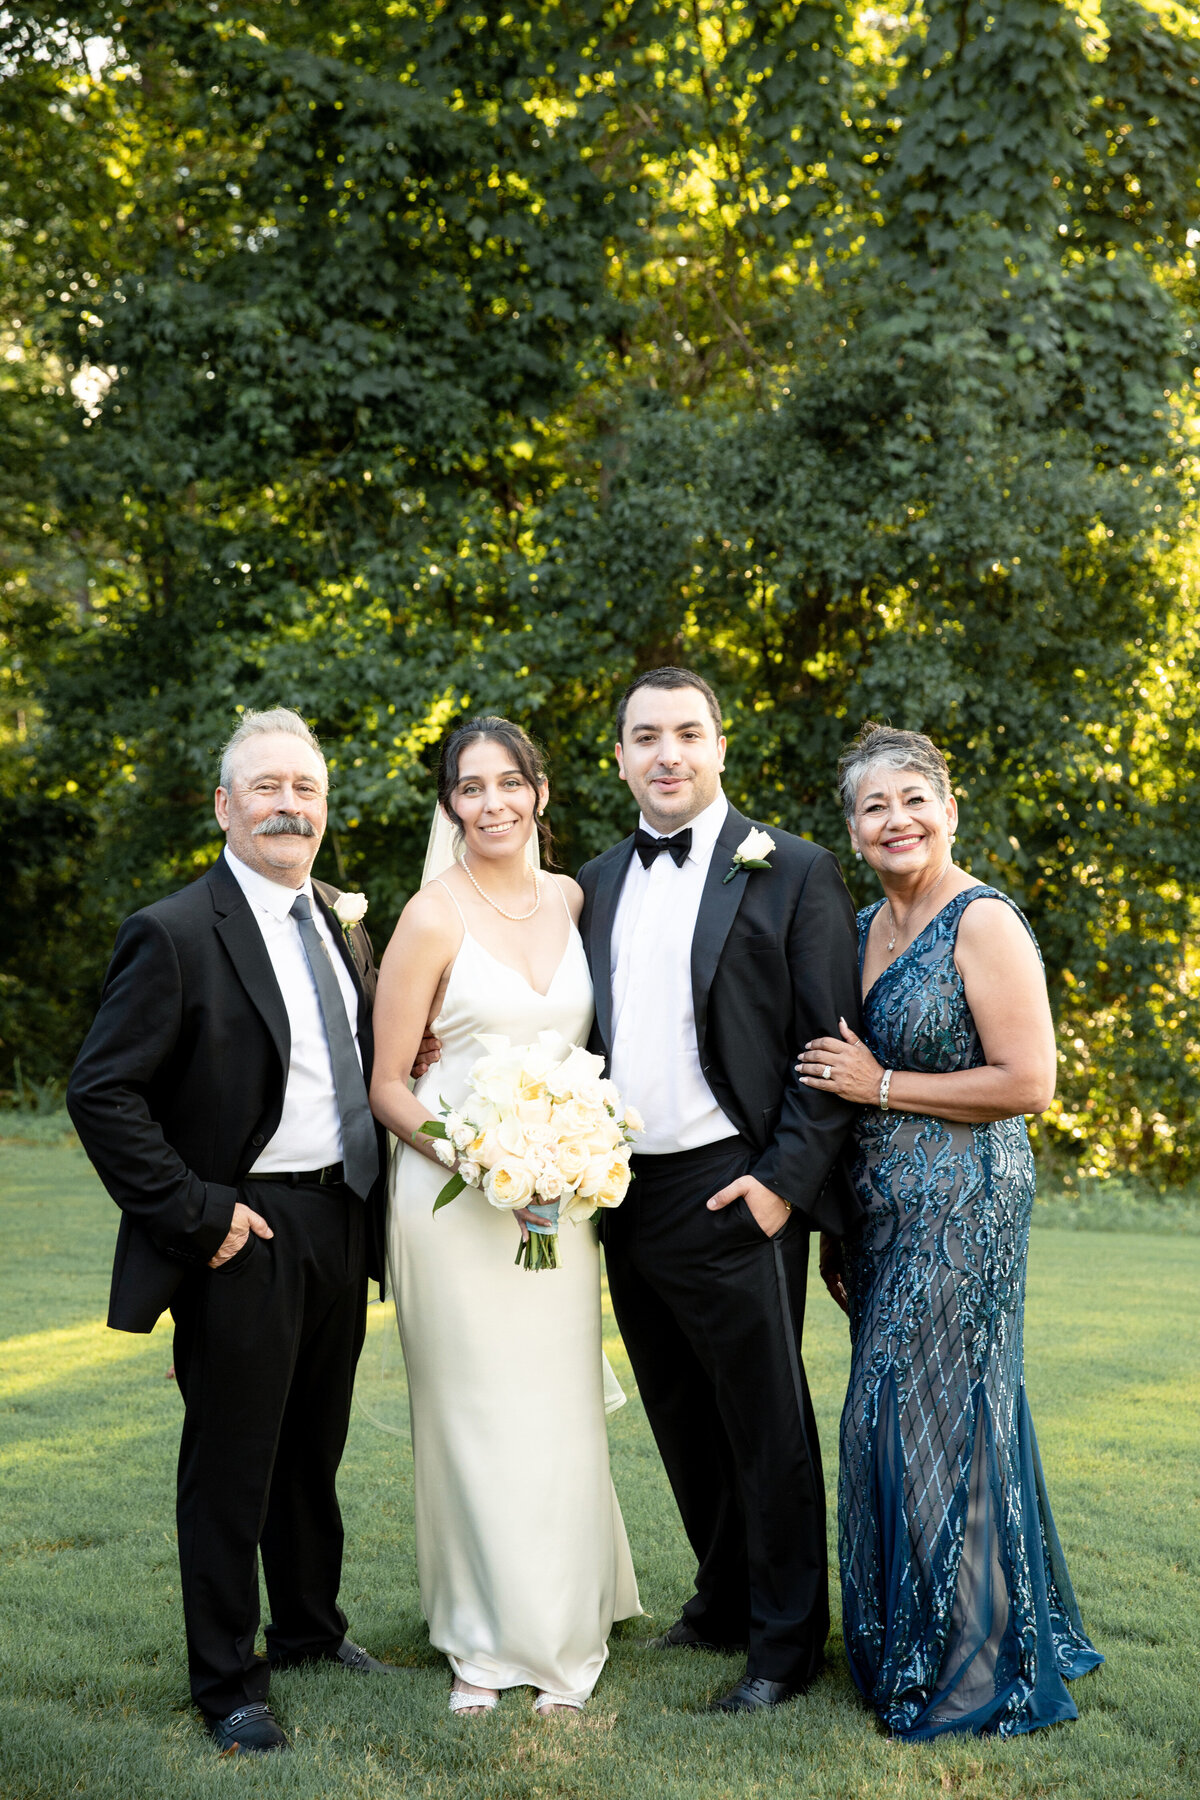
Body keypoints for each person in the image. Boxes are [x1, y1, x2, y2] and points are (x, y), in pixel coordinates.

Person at [66, 707, 396, 1756]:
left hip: (342, 1216)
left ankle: (309, 1631)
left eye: (306, 789)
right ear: (224, 805)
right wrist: (199, 1214)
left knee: (313, 1449)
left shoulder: (343, 920)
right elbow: (102, 1092)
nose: (289, 806)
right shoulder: (172, 932)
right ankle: (228, 1681)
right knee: (233, 1463)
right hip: (243, 1228)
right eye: (266, 787)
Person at [797, 721, 1103, 1739]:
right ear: (852, 829)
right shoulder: (859, 928)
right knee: (915, 1415)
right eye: (874, 806)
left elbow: (1029, 1081)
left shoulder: (984, 922)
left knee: (923, 1418)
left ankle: (966, 1660)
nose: (897, 820)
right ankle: (914, 1636)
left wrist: (882, 1083)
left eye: (913, 800)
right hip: (879, 1216)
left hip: (967, 1207)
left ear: (949, 809)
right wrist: (835, 1224)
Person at [577, 666, 863, 1713]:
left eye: (688, 733)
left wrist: (782, 1185)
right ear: (620, 757)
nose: (668, 753)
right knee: (680, 1413)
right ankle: (725, 1600)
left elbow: (830, 1049)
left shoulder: (794, 870)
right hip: (624, 1190)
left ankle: (785, 1647)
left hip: (735, 1182)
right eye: (646, 735)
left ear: (719, 746)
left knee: (764, 1420)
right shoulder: (594, 882)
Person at [370, 716, 640, 1720]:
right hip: (453, 1202)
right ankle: (479, 1640)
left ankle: (565, 1624)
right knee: (473, 1414)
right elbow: (389, 1086)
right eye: (470, 788)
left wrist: (564, 1159)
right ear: (451, 805)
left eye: (508, 783)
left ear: (540, 792)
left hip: (560, 1202)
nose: (492, 803)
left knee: (557, 1408)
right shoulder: (430, 916)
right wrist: (480, 1163)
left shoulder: (572, 900)